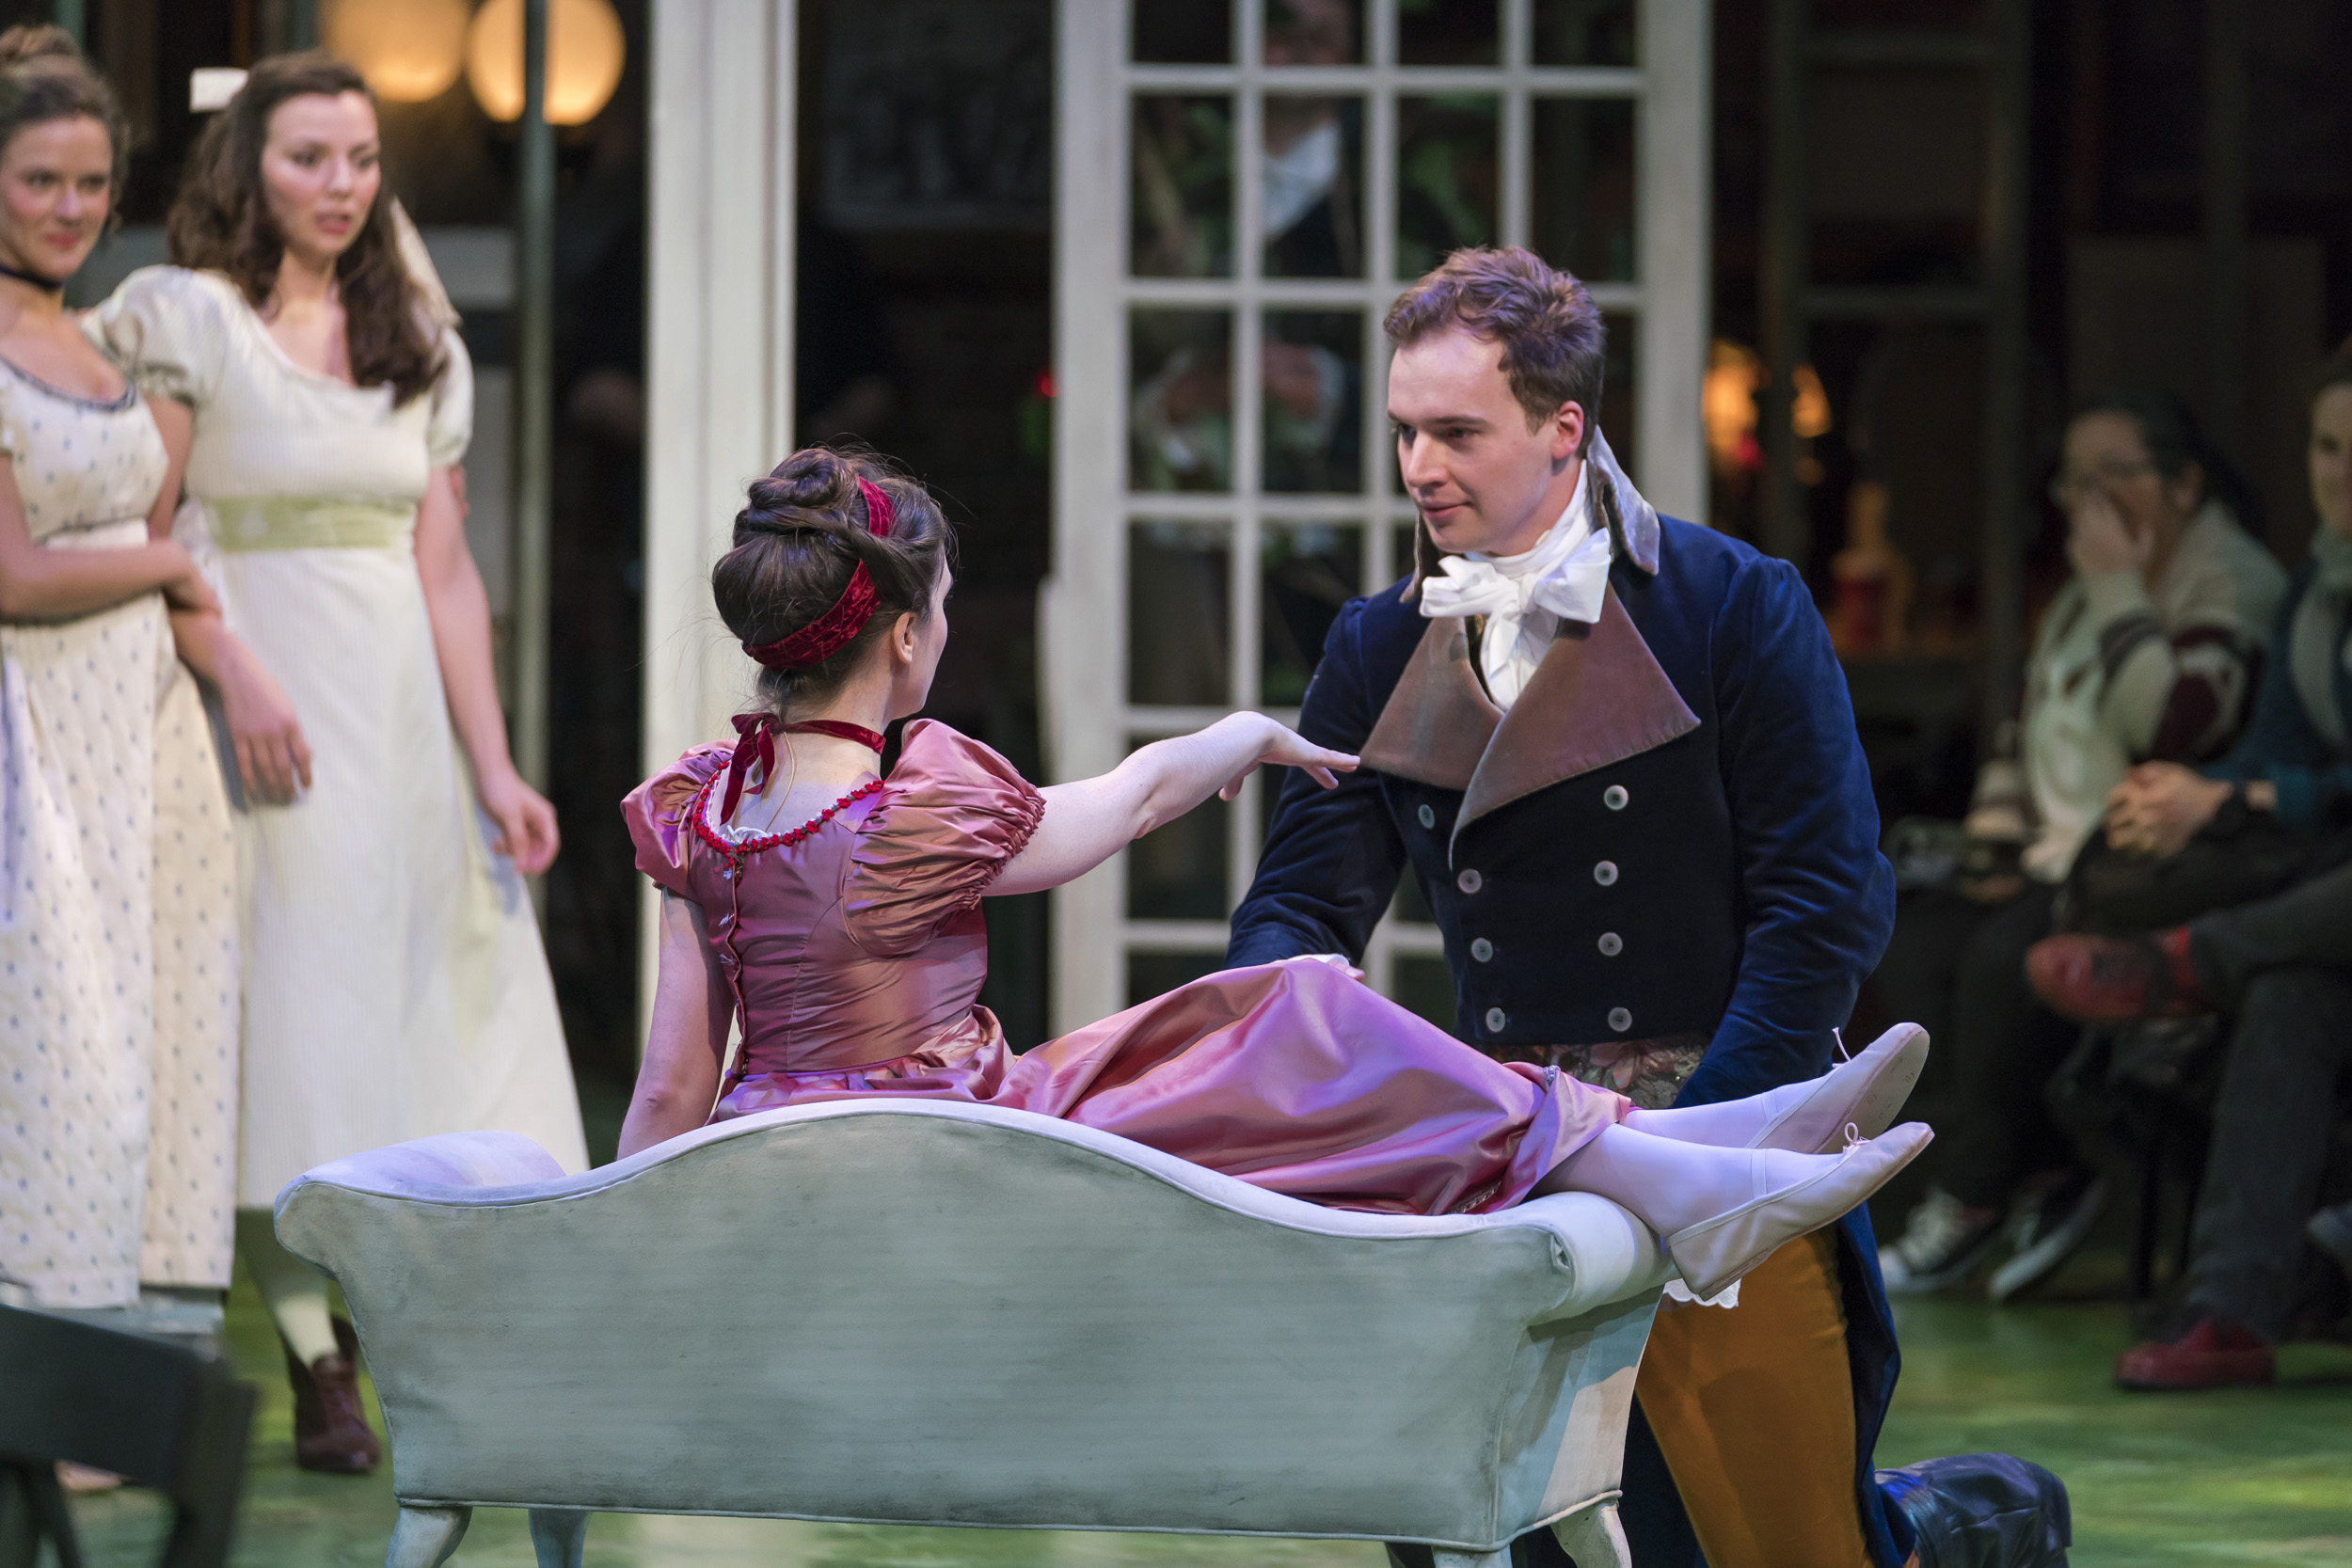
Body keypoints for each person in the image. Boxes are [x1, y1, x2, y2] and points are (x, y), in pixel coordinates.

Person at [617, 448, 1932, 1314]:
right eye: (944, 608)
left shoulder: (701, 810)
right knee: (1291, 1012)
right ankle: (1681, 1161)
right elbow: (1123, 803)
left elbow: (674, 1085)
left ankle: (1681, 1150)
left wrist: (638, 1258)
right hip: (951, 1162)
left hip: (785, 1169)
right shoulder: (920, 801)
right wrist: (1245, 736)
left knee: (1282, 1009)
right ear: (906, 636)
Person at [1224, 245, 1975, 1568]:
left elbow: (1825, 904)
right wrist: (1299, 1056)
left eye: (1456, 431)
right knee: (1476, 1532)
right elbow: (1300, 903)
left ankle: (1984, 1525)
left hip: (1734, 1121)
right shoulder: (1379, 641)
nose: (1417, 467)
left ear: (1565, 428)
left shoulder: (1730, 605)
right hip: (1509, 1151)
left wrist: (1711, 1155)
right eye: (1405, 430)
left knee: (1783, 1540)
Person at [83, 53, 585, 1473]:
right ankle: (315, 1359)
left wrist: (494, 764)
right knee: (295, 1028)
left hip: (397, 717)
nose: (340, 186)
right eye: (309, 158)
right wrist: (227, 662)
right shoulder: (191, 318)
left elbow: (445, 571)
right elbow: (147, 520)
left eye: (360, 159)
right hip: (257, 706)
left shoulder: (408, 322)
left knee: (422, 1018)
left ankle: (404, 1328)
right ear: (251, 167)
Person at [1874, 388, 2285, 1297]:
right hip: (2051, 859)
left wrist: (2112, 585)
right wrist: (1990, 842)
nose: (2089, 505)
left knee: (1998, 960)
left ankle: (1977, 1196)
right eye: (2074, 484)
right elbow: (2031, 733)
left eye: (2115, 479)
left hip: (2152, 866)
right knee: (1908, 944)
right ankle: (2046, 1163)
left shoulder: (2232, 581)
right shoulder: (2073, 596)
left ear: (2182, 485)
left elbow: (2173, 725)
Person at [2028, 339, 2352, 1388]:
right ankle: (2231, 1309)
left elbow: (2287, 778)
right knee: (2290, 989)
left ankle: (2192, 958)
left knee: (2260, 948)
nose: (2339, 472)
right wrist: (2203, 789)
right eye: (2325, 446)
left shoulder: (2255, 583)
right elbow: (2275, 744)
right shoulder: (2320, 588)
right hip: (2322, 895)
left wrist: (2249, 795)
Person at [0, 25, 237, 1341]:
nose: (71, 210)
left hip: (134, 726)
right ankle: (45, 1362)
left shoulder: (92, 331)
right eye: (40, 181)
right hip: (35, 728)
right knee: (56, 1052)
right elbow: (15, 574)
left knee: (155, 1034)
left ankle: (120, 1365)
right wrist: (168, 561)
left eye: (91, 185)